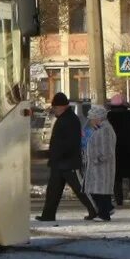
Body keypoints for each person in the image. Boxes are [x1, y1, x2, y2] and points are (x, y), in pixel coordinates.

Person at [36, 92, 97, 222]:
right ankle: (48, 215)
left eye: (55, 107)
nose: (53, 110)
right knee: (53, 190)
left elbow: (69, 142)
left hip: (69, 162)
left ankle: (94, 209)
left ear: (61, 107)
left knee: (80, 189)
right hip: (59, 162)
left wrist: (56, 154)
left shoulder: (69, 119)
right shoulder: (65, 118)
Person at [83, 105, 117, 221]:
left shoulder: (105, 130)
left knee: (100, 191)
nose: (91, 121)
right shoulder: (101, 129)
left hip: (102, 166)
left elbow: (108, 150)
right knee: (97, 190)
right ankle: (107, 209)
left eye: (92, 118)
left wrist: (97, 159)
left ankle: (104, 214)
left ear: (99, 118)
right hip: (97, 166)